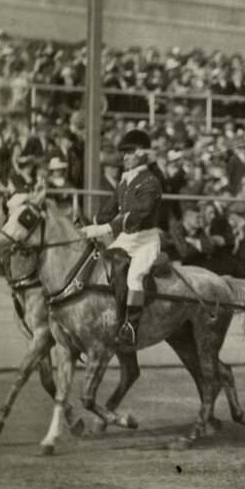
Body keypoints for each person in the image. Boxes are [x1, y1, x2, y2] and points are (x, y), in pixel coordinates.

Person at [80, 128, 163, 349]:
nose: (124, 157)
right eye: (123, 153)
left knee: (134, 277)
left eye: (130, 152)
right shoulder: (125, 181)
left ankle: (131, 326)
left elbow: (135, 216)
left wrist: (104, 229)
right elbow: (108, 210)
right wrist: (91, 223)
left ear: (144, 154)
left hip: (145, 241)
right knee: (103, 267)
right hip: (127, 239)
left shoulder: (151, 183)